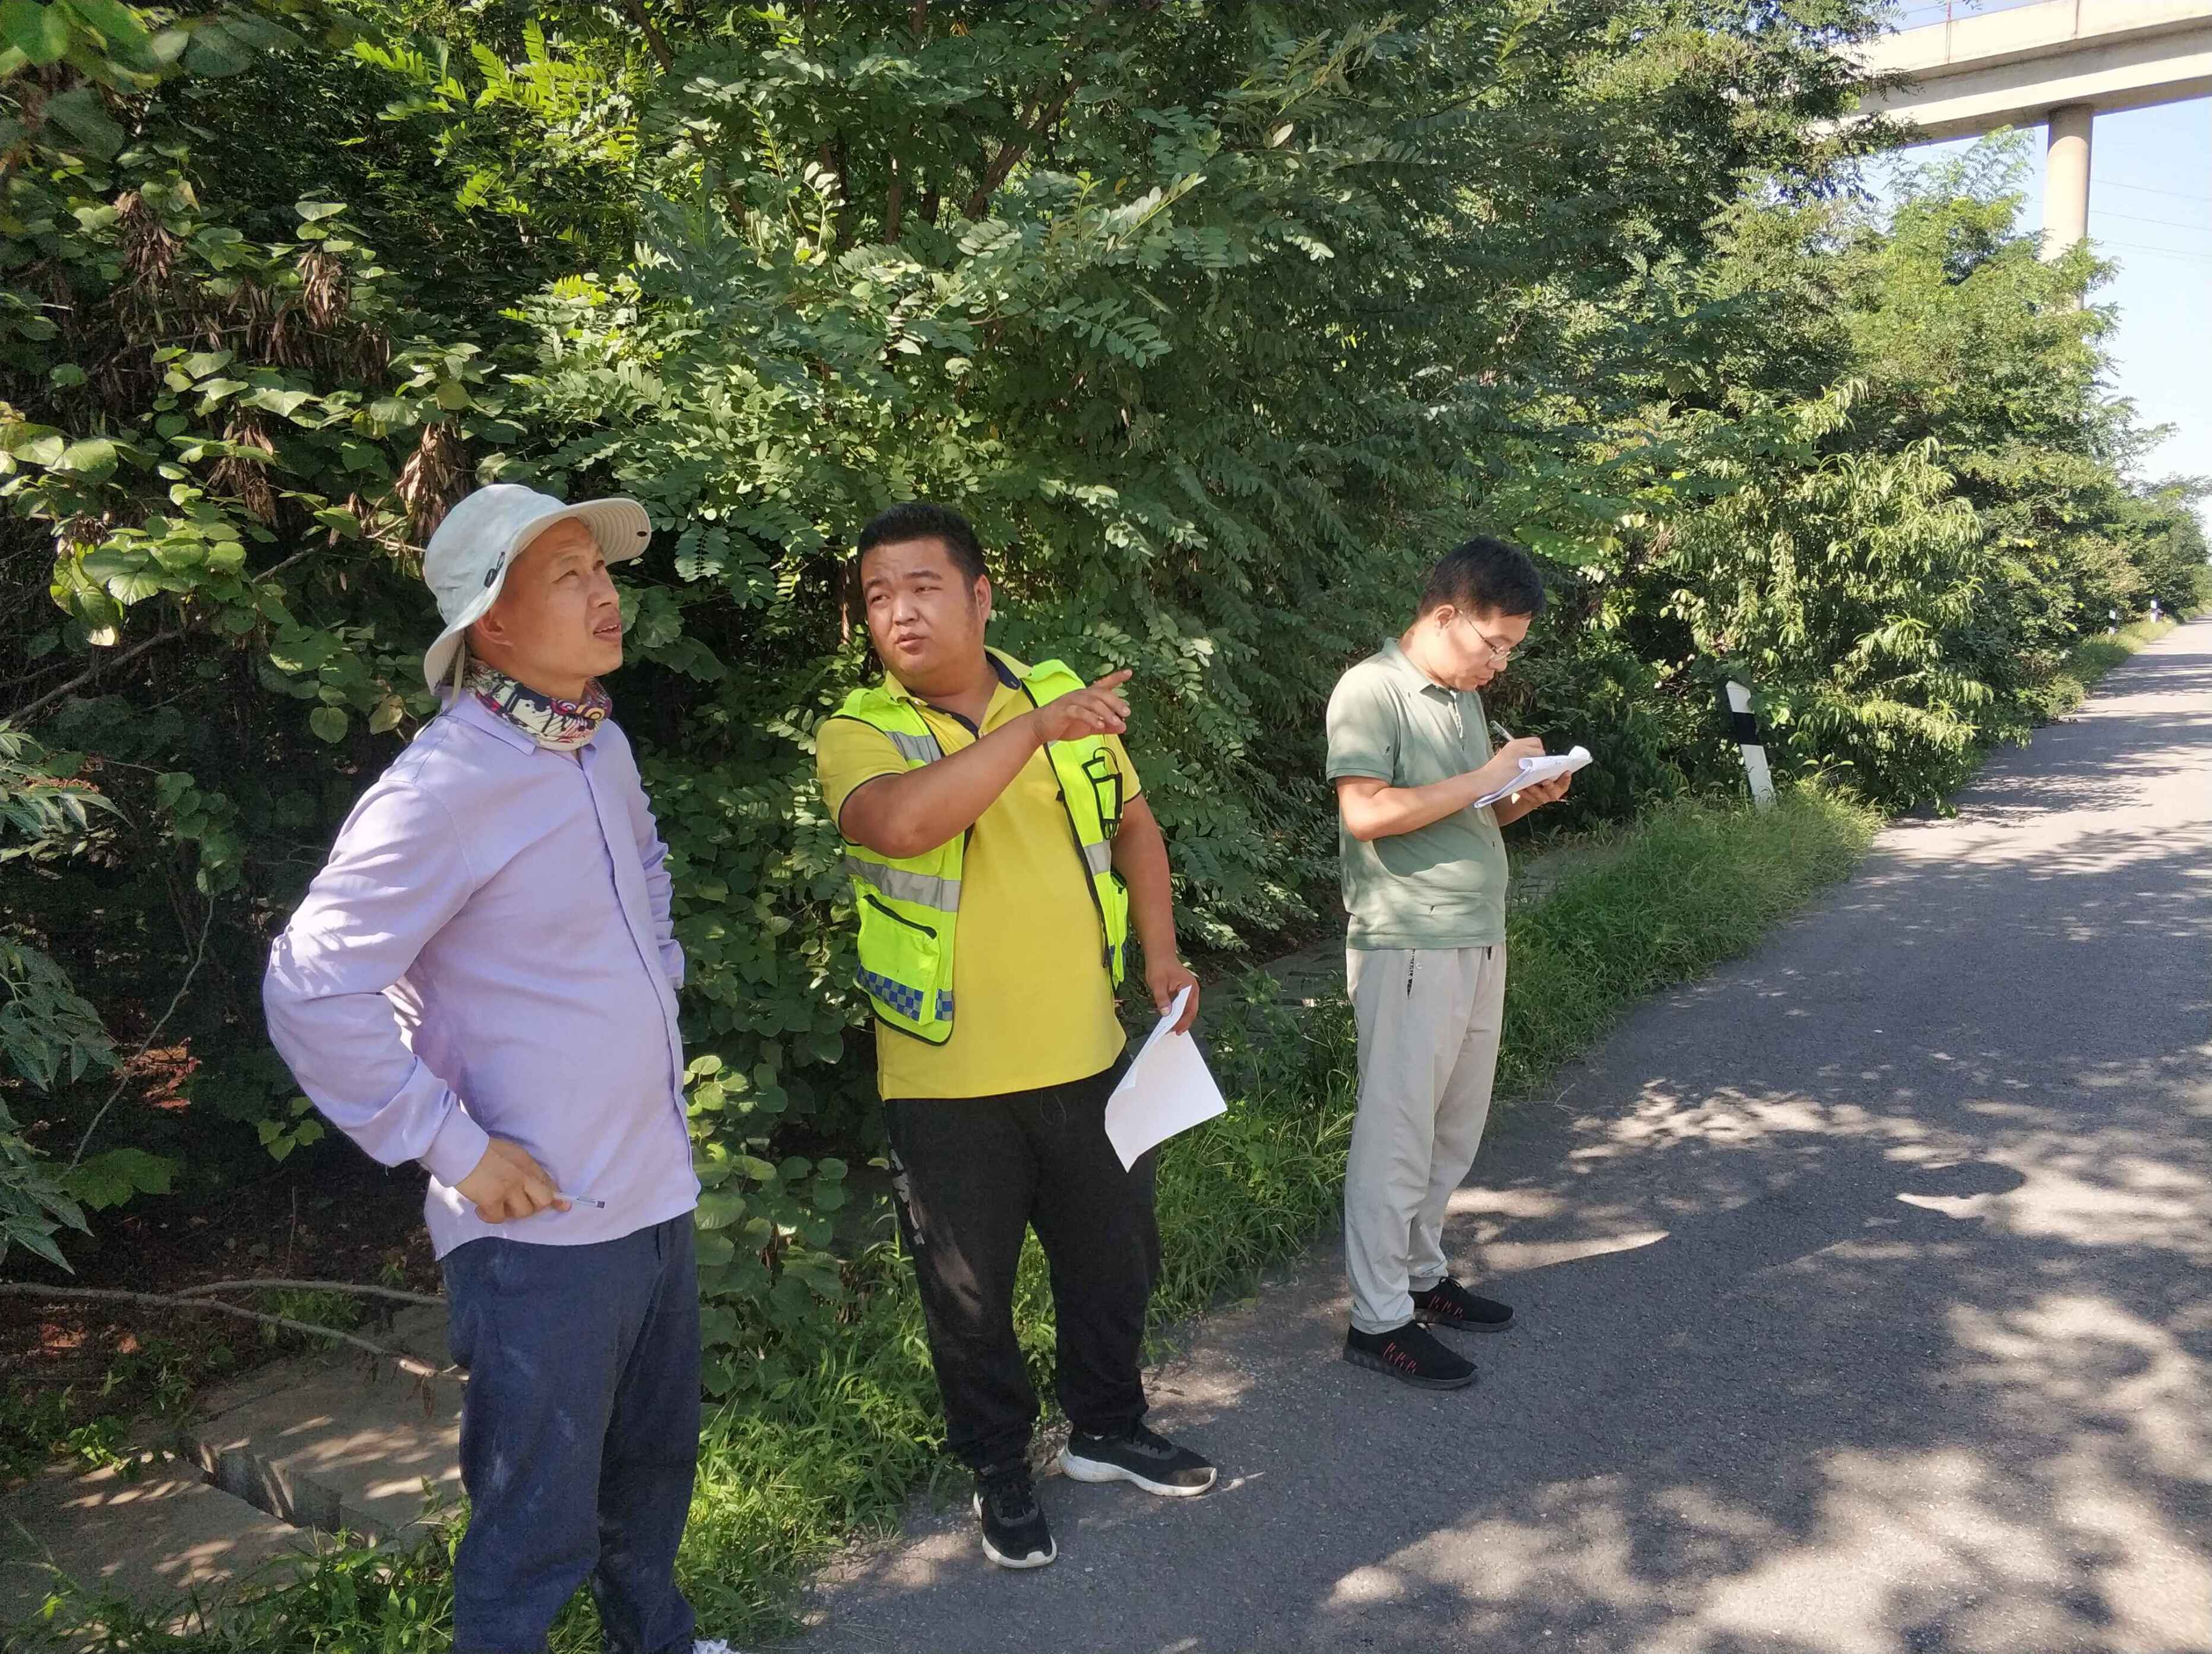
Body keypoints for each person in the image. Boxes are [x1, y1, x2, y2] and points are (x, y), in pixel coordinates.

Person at [263, 483, 735, 1654]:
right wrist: (455, 1147)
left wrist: (658, 981)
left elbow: (647, 875)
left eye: (600, 567)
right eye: (568, 574)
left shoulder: (598, 743)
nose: (604, 591)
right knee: (533, 1530)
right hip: (538, 1236)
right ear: (494, 625)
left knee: (652, 1474)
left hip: (653, 1191)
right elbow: (311, 984)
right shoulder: (443, 788)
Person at [815, 501, 1214, 1571]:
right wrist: (1032, 730)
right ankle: (998, 1465)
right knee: (969, 1297)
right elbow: (902, 824)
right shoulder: (860, 730)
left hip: (1088, 1053)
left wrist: (1162, 954)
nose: (899, 612)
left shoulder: (1057, 694)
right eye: (877, 596)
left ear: (981, 596)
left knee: (1114, 1263)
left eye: (923, 587)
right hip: (944, 1080)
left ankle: (1107, 1427)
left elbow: (1133, 826)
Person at [1324, 534, 1569, 1392]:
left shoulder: (1462, 699)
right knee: (1396, 1135)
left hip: (1475, 936)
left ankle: (1421, 1276)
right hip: (1409, 944)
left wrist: (1520, 796)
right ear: (1443, 616)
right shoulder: (1372, 689)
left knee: (1452, 1129)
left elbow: (1459, 813)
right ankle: (1377, 1320)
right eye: (1493, 644)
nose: (1498, 665)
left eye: (1510, 650)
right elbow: (1365, 813)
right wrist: (1488, 775)